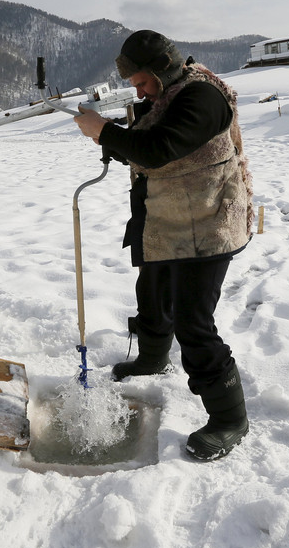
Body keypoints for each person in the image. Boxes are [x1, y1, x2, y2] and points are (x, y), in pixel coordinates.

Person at [74, 30, 254, 461]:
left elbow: (159, 149)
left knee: (194, 323)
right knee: (152, 293)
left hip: (207, 226)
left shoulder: (202, 98)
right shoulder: (168, 95)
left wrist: (104, 131)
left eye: (141, 82)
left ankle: (230, 419)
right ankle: (153, 358)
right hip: (168, 221)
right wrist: (111, 135)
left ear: (162, 70)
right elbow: (147, 146)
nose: (138, 91)